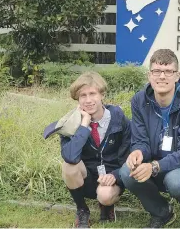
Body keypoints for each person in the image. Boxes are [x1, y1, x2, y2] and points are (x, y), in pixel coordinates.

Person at [120, 49, 180, 228]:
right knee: (127, 173)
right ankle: (161, 212)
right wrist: (137, 152)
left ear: (177, 75)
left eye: (168, 72)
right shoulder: (139, 100)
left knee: (176, 182)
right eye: (156, 71)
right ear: (149, 75)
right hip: (153, 161)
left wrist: (154, 167)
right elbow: (140, 139)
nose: (162, 77)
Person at [43, 71, 131, 228]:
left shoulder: (119, 119)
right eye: (83, 96)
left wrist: (115, 175)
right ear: (77, 99)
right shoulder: (70, 124)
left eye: (93, 94)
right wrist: (84, 125)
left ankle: (106, 204)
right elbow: (70, 157)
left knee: (105, 196)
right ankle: (82, 210)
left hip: (111, 178)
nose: (88, 100)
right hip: (87, 178)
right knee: (68, 167)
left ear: (102, 95)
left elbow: (128, 155)